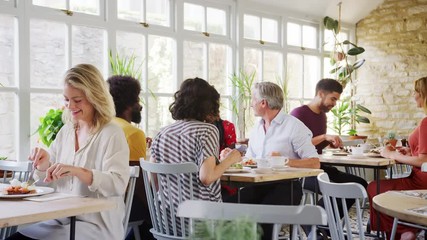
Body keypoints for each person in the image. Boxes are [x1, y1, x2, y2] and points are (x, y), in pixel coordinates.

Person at [6, 64, 130, 240]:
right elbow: (46, 183)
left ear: (95, 97)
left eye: (77, 100)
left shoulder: (111, 133)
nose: (70, 106)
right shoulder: (66, 131)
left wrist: (80, 172)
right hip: (61, 221)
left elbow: (118, 184)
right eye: (66, 99)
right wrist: (44, 166)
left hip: (96, 226)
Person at [149, 77, 241, 234]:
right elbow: (207, 177)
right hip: (202, 222)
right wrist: (230, 159)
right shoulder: (208, 130)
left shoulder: (162, 133)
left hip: (165, 221)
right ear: (208, 105)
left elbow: (153, 180)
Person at [232, 81, 320, 240]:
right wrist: (231, 158)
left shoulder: (294, 126)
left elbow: (314, 162)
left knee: (263, 219)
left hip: (287, 187)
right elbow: (250, 159)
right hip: (258, 185)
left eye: (253, 100)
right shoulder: (257, 128)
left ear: (263, 103)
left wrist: (285, 161)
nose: (251, 104)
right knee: (229, 206)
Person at [290, 78, 368, 219]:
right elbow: (294, 147)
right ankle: (312, 221)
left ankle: (321, 226)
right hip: (302, 171)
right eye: (333, 99)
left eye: (336, 100)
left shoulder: (322, 116)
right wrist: (324, 137)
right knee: (342, 189)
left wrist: (331, 143)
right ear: (320, 94)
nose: (334, 103)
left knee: (359, 184)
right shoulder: (298, 114)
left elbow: (317, 145)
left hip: (319, 167)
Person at [368, 76, 427, 240]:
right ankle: (406, 229)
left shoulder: (426, 122)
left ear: (423, 94)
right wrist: (411, 151)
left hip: (422, 180)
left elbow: (423, 161)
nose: (414, 96)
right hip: (421, 176)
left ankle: (403, 231)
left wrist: (392, 154)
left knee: (375, 188)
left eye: (416, 92)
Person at [107, 75, 154, 240]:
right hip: (122, 204)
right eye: (137, 99)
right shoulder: (134, 133)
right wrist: (155, 208)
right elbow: (138, 185)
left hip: (102, 203)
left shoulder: (103, 125)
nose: (140, 106)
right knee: (158, 216)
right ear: (129, 102)